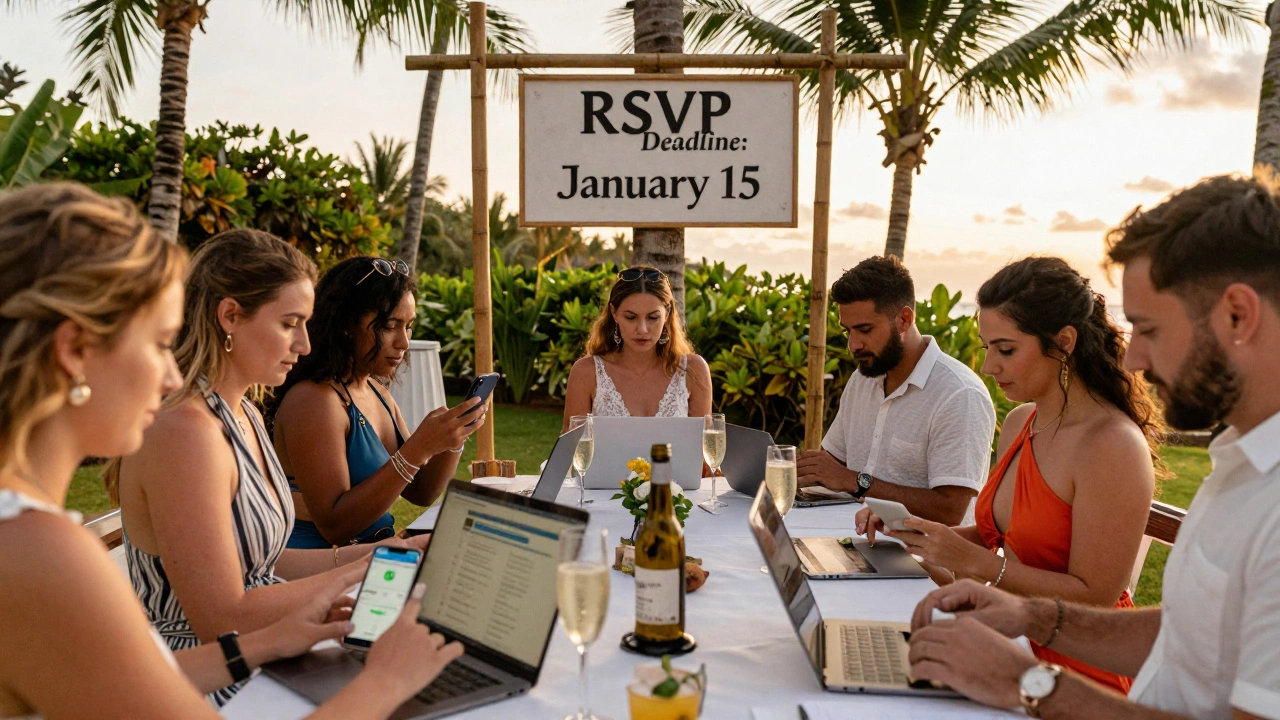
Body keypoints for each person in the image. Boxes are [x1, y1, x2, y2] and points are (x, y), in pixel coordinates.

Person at [0, 183, 460, 720]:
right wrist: (387, 682)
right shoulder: (42, 550)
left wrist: (269, 641)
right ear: (75, 350)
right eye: (155, 344)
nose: (172, 372)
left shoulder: (31, 536)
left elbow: (132, 671)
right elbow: (216, 615)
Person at [906, 173, 1280, 720]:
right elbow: (1189, 629)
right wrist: (1031, 618)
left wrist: (1030, 684)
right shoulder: (1242, 466)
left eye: (1148, 330)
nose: (1133, 360)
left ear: (1237, 315)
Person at [114, 230, 429, 704]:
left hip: (271, 645)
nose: (305, 344)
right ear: (230, 317)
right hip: (213, 679)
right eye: (289, 324)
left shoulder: (242, 412)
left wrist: (388, 554)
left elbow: (259, 563)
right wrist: (365, 572)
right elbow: (222, 617)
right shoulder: (186, 432)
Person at [858, 256, 1159, 693]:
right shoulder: (1022, 422)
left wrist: (972, 563)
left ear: (1064, 343)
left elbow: (1095, 597)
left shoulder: (1111, 446)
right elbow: (1003, 535)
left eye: (1006, 350)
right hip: (1005, 640)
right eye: (986, 348)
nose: (988, 366)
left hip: (1075, 672)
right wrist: (911, 530)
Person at [273, 256, 483, 548]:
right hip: (320, 567)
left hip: (370, 554)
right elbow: (334, 525)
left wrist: (452, 439)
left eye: (408, 326)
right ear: (346, 324)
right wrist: (417, 449)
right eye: (389, 326)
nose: (404, 342)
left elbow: (420, 492)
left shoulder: (375, 391)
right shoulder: (314, 400)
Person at [797, 255, 995, 525]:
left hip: (924, 561)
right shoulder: (862, 380)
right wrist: (787, 471)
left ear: (903, 319)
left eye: (864, 330)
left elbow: (951, 511)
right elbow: (832, 465)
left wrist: (857, 482)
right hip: (854, 537)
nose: (853, 345)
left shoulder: (959, 395)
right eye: (848, 332)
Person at [562, 266, 712, 428]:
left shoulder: (692, 370)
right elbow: (572, 450)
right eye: (631, 317)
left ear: (666, 314)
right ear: (614, 313)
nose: (642, 329)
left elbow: (702, 449)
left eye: (653, 317)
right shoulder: (587, 372)